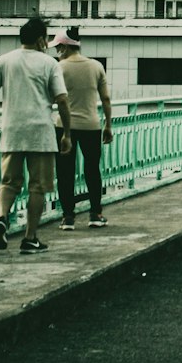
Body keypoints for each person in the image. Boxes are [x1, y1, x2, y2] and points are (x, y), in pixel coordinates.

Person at [0, 17, 72, 253]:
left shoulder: (5, 61)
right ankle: (30, 238)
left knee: (9, 182)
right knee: (37, 187)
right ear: (41, 39)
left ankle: (2, 217)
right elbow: (62, 100)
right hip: (40, 133)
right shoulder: (49, 63)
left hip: (12, 130)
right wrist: (67, 135)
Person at [51, 26, 113, 229]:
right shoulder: (96, 66)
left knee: (65, 172)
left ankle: (68, 217)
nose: (57, 51)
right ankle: (95, 214)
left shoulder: (59, 68)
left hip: (64, 127)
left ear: (64, 47)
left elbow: (55, 97)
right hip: (91, 125)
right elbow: (105, 98)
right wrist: (108, 126)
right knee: (92, 170)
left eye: (58, 47)